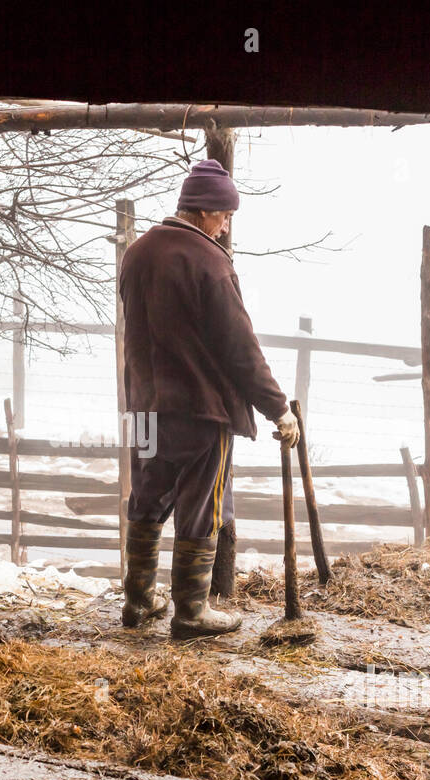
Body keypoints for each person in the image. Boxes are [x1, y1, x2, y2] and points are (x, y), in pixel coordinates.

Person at [118, 158, 298, 639]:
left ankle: (137, 602)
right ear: (204, 209)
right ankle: (191, 614)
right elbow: (240, 349)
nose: (226, 225)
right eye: (225, 214)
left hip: (142, 410)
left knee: (146, 496)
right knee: (202, 506)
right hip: (197, 411)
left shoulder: (136, 253)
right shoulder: (210, 263)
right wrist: (278, 408)